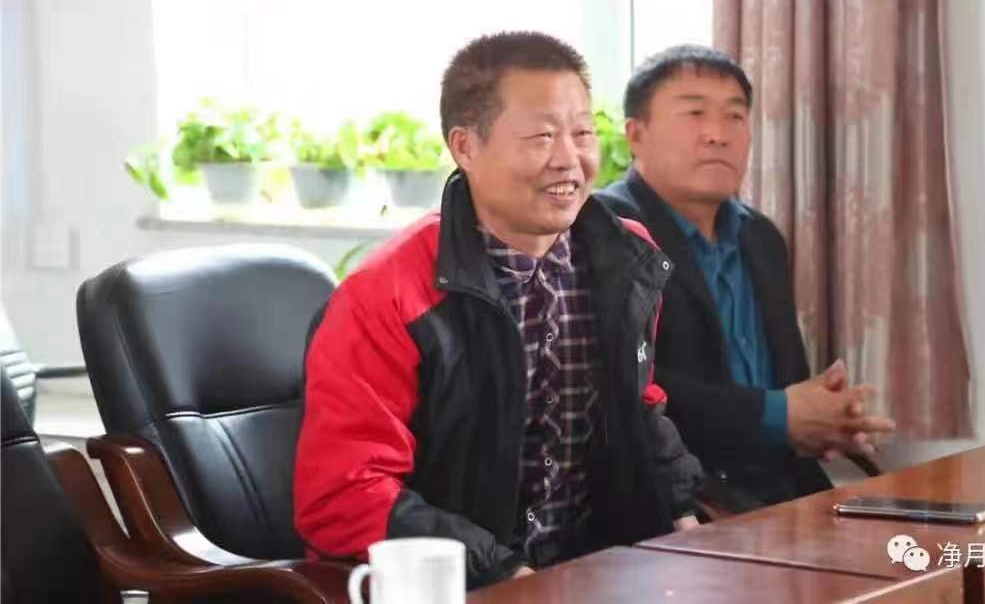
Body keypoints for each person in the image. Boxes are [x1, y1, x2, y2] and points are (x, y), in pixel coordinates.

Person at [294, 32, 703, 589]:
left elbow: (637, 405)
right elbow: (344, 493)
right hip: (462, 585)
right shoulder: (385, 295)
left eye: (583, 133)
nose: (570, 159)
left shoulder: (625, 257)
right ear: (465, 147)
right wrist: (503, 571)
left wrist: (687, 526)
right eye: (541, 136)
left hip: (597, 573)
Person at [596, 45, 895, 512]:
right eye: (694, 113)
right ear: (637, 135)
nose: (718, 134)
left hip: (782, 489)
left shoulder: (760, 236)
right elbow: (623, 387)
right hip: (680, 502)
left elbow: (787, 382)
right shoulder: (609, 230)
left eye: (735, 117)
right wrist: (778, 416)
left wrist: (825, 418)